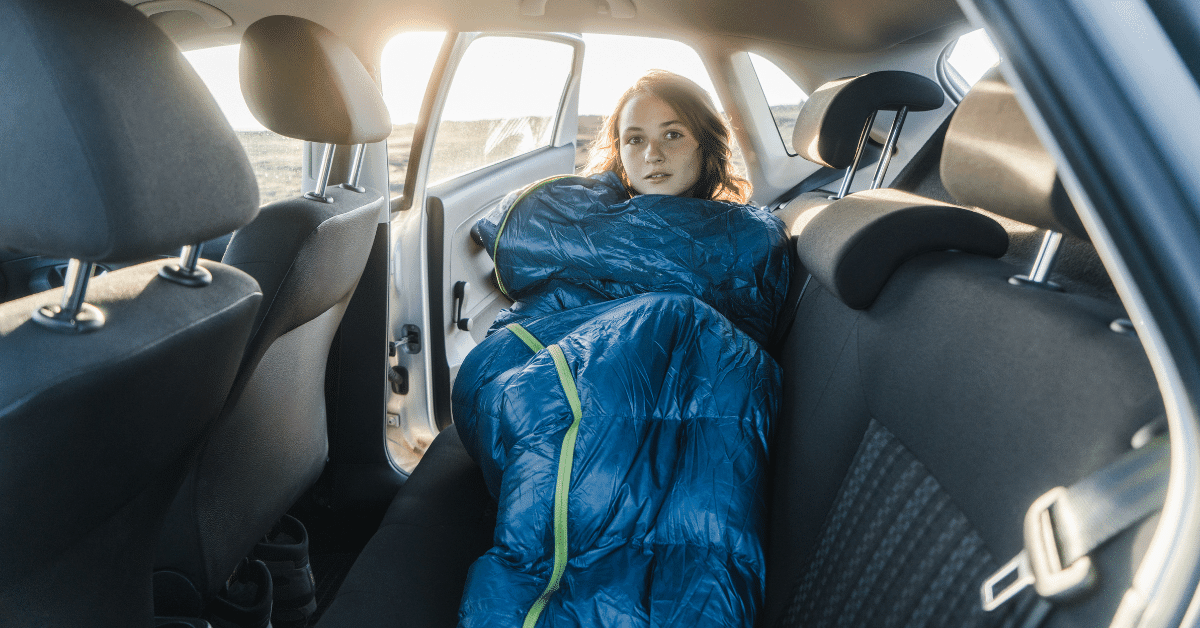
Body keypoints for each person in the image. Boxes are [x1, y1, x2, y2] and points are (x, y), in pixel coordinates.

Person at [581, 69, 751, 203]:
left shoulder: (749, 232)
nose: (653, 155)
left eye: (672, 135)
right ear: (619, 154)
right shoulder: (584, 226)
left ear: (706, 142)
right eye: (636, 140)